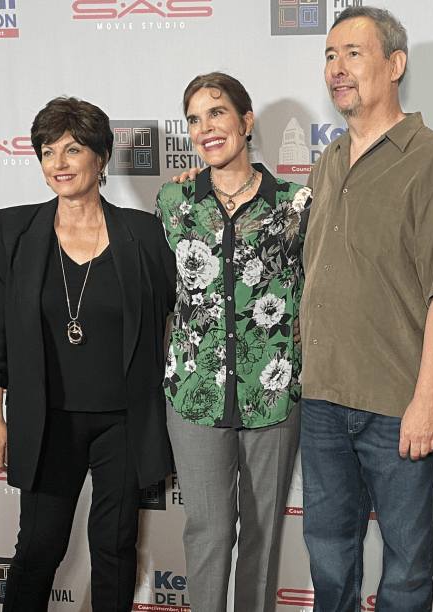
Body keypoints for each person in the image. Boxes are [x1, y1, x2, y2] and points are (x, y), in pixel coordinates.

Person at [298, 8, 433, 611]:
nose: (336, 68)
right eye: (329, 55)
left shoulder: (431, 158)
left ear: (395, 64)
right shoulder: (327, 163)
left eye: (353, 52)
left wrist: (427, 401)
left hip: (396, 408)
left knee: (404, 573)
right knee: (329, 563)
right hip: (322, 401)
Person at [0, 97, 176, 612]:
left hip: (124, 422)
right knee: (39, 548)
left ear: (101, 158)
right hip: (47, 421)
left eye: (72, 149)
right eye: (47, 152)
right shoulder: (13, 231)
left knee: (114, 548)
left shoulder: (145, 234)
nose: (58, 163)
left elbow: (184, 304)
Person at [155, 72, 309, 612]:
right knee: (208, 534)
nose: (205, 128)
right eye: (194, 119)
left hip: (272, 395)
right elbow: (161, 294)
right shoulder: (173, 201)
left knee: (264, 540)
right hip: (195, 394)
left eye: (217, 113)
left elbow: (316, 295)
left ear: (246, 122)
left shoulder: (295, 203)